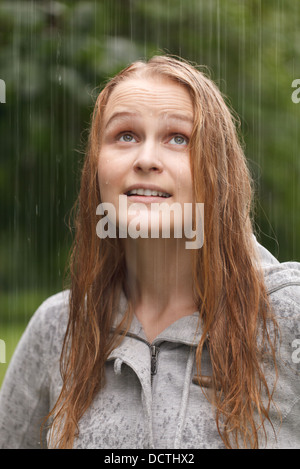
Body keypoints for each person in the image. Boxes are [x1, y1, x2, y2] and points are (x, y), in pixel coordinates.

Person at [0, 55, 299, 450]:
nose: (145, 160)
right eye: (125, 135)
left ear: (218, 169)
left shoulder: (289, 317)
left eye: (178, 138)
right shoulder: (57, 330)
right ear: (95, 169)